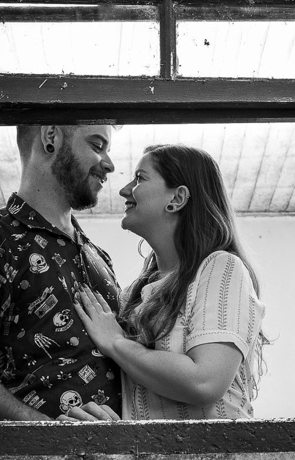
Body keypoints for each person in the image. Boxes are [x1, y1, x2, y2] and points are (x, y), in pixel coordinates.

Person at [69, 144, 265, 421]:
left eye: (140, 178)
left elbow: (205, 382)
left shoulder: (221, 267)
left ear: (177, 198)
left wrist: (116, 342)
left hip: (217, 448)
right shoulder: (133, 294)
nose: (125, 190)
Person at [0, 124, 123, 420]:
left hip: (125, 446)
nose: (109, 164)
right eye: (97, 146)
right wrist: (51, 435)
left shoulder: (99, 256)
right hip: (33, 450)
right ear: (51, 137)